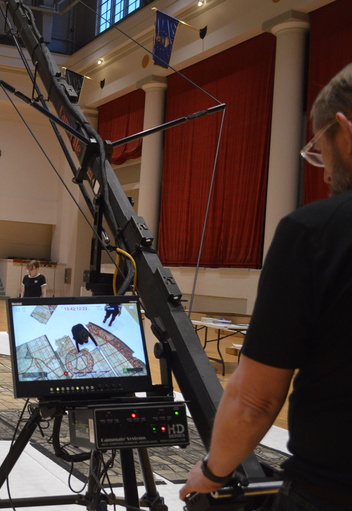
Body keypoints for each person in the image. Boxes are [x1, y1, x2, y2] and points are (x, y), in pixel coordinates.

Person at [179, 63, 352, 510]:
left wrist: (213, 470)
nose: (324, 171)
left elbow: (256, 398)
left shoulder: (313, 232)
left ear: (345, 131)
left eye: (322, 150)